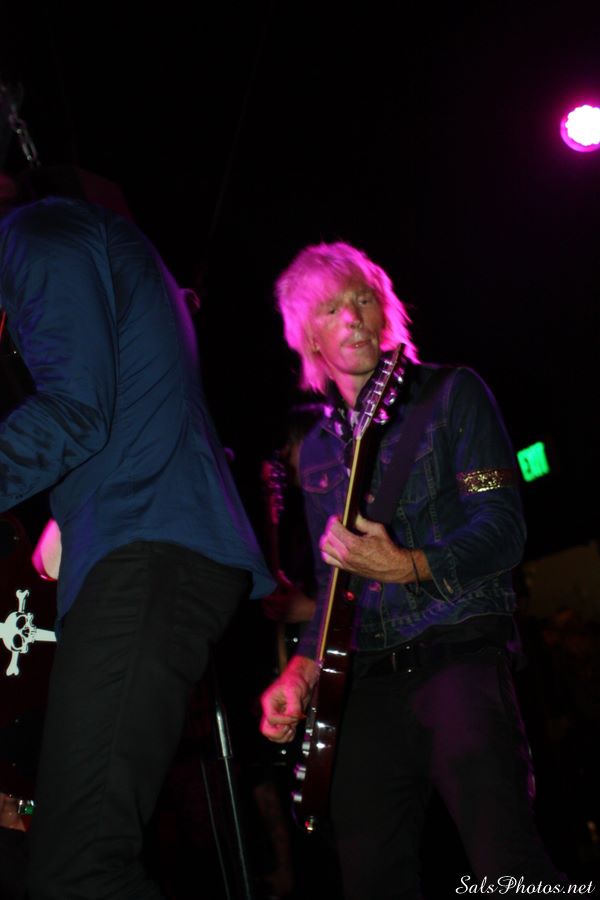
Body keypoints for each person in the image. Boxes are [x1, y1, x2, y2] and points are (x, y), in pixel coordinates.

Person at [260, 242, 565, 898]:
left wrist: (412, 566)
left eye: (363, 299)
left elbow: (502, 523)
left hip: (456, 651)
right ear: (308, 335)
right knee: (371, 879)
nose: (353, 317)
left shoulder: (454, 396)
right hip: (365, 681)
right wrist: (302, 669)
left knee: (508, 870)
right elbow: (332, 584)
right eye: (332, 309)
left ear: (386, 310)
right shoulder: (317, 453)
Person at [0, 191, 273, 899]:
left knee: (78, 871)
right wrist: (71, 515)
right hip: (140, 540)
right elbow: (116, 399)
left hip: (149, 546)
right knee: (73, 865)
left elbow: (75, 408)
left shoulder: (35, 233)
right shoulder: (56, 242)